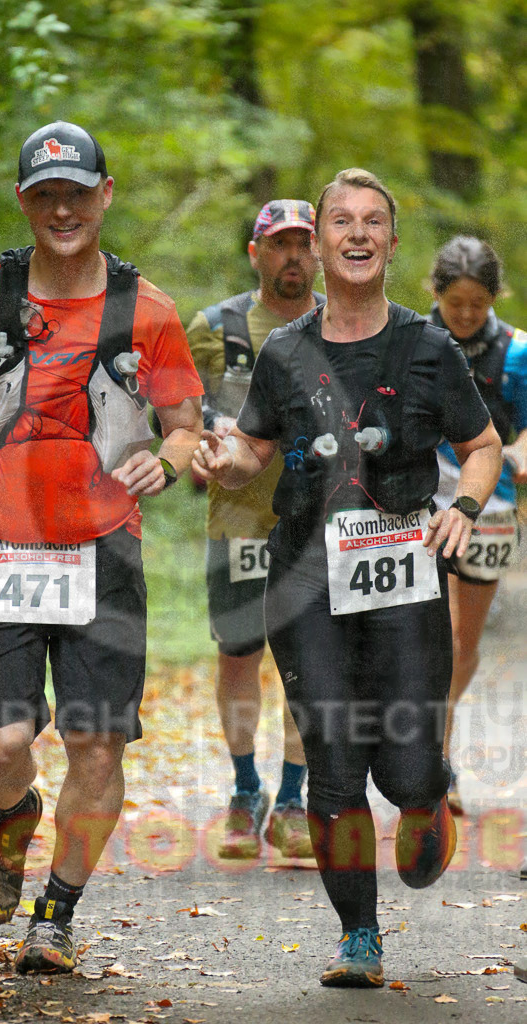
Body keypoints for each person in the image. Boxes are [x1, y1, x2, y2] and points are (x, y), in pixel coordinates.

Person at [0, 121, 204, 975]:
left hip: (102, 548)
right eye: (46, 195)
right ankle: (16, 812)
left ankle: (56, 915)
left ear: (105, 195)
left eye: (77, 192)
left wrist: (164, 461)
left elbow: (184, 424)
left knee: (97, 743)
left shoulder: (147, 311)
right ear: (23, 201)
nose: (63, 209)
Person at [193, 169, 502, 988]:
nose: (356, 233)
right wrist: (225, 459)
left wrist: (463, 507)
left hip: (403, 579)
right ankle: (357, 937)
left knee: (404, 769)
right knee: (331, 766)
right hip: (304, 583)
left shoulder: (427, 347)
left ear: (391, 243)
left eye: (371, 221)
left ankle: (425, 795)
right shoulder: (284, 351)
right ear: (322, 241)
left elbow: (480, 447)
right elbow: (252, 450)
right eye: (340, 221)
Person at [187, 200, 324, 860]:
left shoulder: (343, 323)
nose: (291, 256)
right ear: (255, 252)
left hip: (319, 525)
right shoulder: (215, 327)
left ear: (318, 253)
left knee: (308, 663)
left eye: (302, 244)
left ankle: (293, 800)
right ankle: (246, 791)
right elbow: (179, 412)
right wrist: (196, 442)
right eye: (278, 244)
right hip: (238, 521)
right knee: (238, 656)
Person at [427, 236, 527, 814]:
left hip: (492, 508)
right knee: (438, 638)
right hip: (425, 505)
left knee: (465, 641)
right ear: (435, 293)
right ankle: (436, 763)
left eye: (478, 304)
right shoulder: (411, 339)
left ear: (496, 298)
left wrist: (520, 452)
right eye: (455, 303)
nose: (465, 315)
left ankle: (439, 741)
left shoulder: (517, 351)